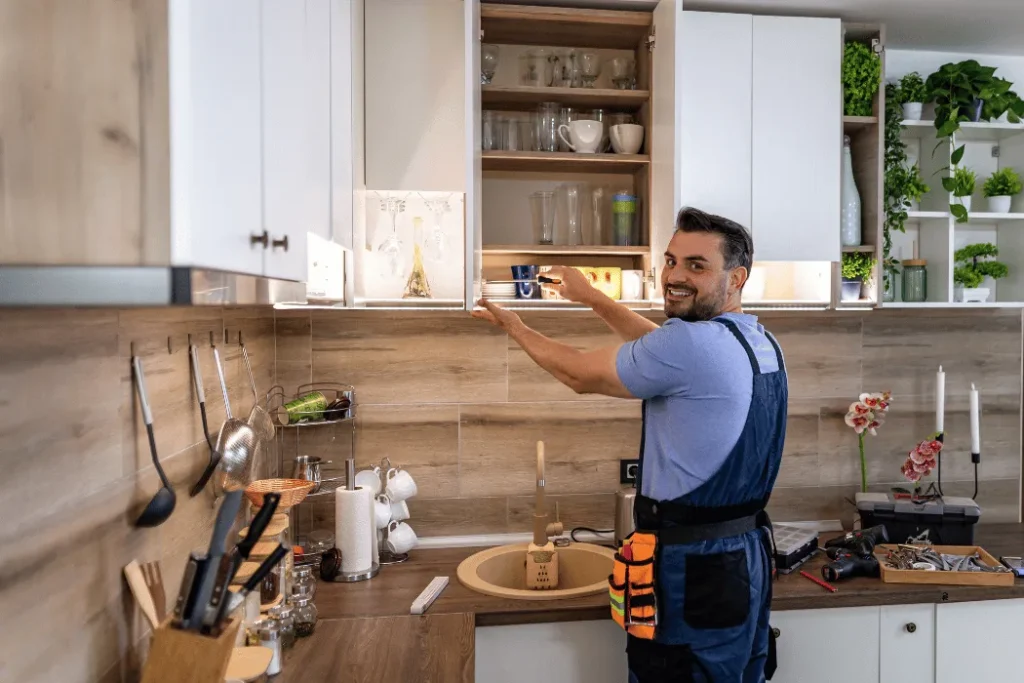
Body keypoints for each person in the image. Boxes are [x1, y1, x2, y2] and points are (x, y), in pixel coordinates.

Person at [472, 207, 787, 682]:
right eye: (670, 260)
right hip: (746, 561)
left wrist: (515, 326)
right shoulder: (758, 342)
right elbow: (665, 350)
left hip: (690, 573)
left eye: (696, 266)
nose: (675, 276)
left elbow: (578, 373)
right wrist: (593, 299)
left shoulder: (691, 348)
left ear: (736, 278)